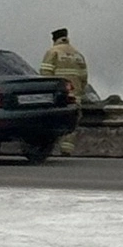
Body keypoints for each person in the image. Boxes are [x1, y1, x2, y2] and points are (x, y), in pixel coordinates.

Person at [40, 28, 89, 156]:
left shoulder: (53, 52)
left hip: (57, 94)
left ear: (54, 39)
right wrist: (79, 91)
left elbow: (45, 74)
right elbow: (84, 77)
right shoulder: (78, 54)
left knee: (51, 120)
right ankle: (67, 149)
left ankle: (46, 148)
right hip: (75, 94)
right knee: (71, 121)